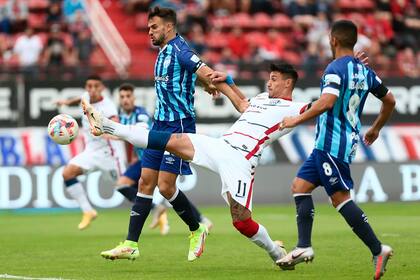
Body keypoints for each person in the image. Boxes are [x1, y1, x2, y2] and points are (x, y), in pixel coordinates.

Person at [82, 63, 308, 266]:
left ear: (288, 83)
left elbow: (322, 107)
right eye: (269, 77)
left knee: (241, 222)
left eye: (274, 79)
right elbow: (241, 104)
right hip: (221, 145)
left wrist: (298, 119)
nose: (269, 82)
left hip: (241, 159)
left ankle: (276, 252)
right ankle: (108, 126)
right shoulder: (261, 98)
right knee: (172, 140)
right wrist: (227, 81)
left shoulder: (296, 108)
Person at [99, 6, 245, 262]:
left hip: (179, 127)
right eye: (147, 28)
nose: (149, 32)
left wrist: (238, 101)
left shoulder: (181, 50)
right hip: (160, 124)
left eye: (153, 27)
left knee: (166, 187)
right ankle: (131, 243)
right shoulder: (163, 52)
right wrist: (202, 84)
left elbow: (209, 72)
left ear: (168, 26)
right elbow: (192, 77)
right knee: (145, 182)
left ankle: (196, 227)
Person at [276, 20, 395, 280]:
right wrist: (375, 128)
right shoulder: (364, 71)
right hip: (330, 144)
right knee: (299, 187)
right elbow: (390, 100)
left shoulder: (334, 68)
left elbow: (327, 102)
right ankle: (304, 246)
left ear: (332, 40)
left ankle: (378, 249)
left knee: (340, 198)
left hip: (332, 144)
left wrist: (296, 120)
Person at [115, 83, 212, 235]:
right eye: (122, 97)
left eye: (128, 96)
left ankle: (198, 220)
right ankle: (160, 211)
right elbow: (130, 141)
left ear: (134, 98)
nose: (125, 100)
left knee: (167, 188)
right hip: (143, 159)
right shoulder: (121, 116)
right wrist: (132, 157)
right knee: (126, 185)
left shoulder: (140, 114)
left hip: (156, 154)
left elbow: (138, 131)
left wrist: (108, 132)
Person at [56, 75, 126, 230]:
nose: (92, 89)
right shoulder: (85, 97)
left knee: (124, 188)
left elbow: (116, 123)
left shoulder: (107, 107)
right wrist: (66, 102)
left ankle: (156, 208)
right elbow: (79, 99)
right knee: (67, 173)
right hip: (91, 151)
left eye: (96, 86)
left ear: (102, 88)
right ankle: (88, 211)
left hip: (109, 154)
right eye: (89, 86)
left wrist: (107, 132)